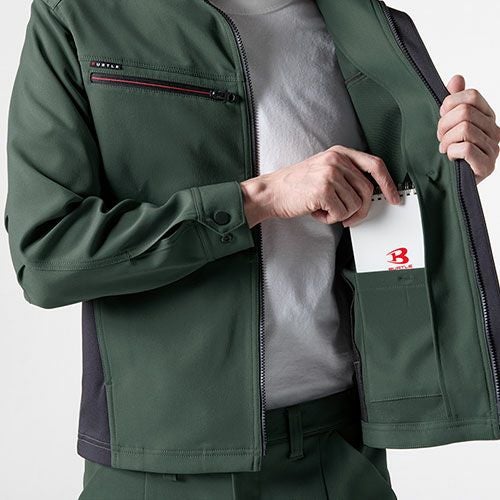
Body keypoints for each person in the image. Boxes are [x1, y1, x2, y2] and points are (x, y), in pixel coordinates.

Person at [4, 0, 499, 498]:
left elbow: (389, 216)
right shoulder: (81, 14)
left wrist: (451, 174)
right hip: (163, 465)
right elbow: (46, 256)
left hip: (340, 451)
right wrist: (256, 200)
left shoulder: (362, 25)